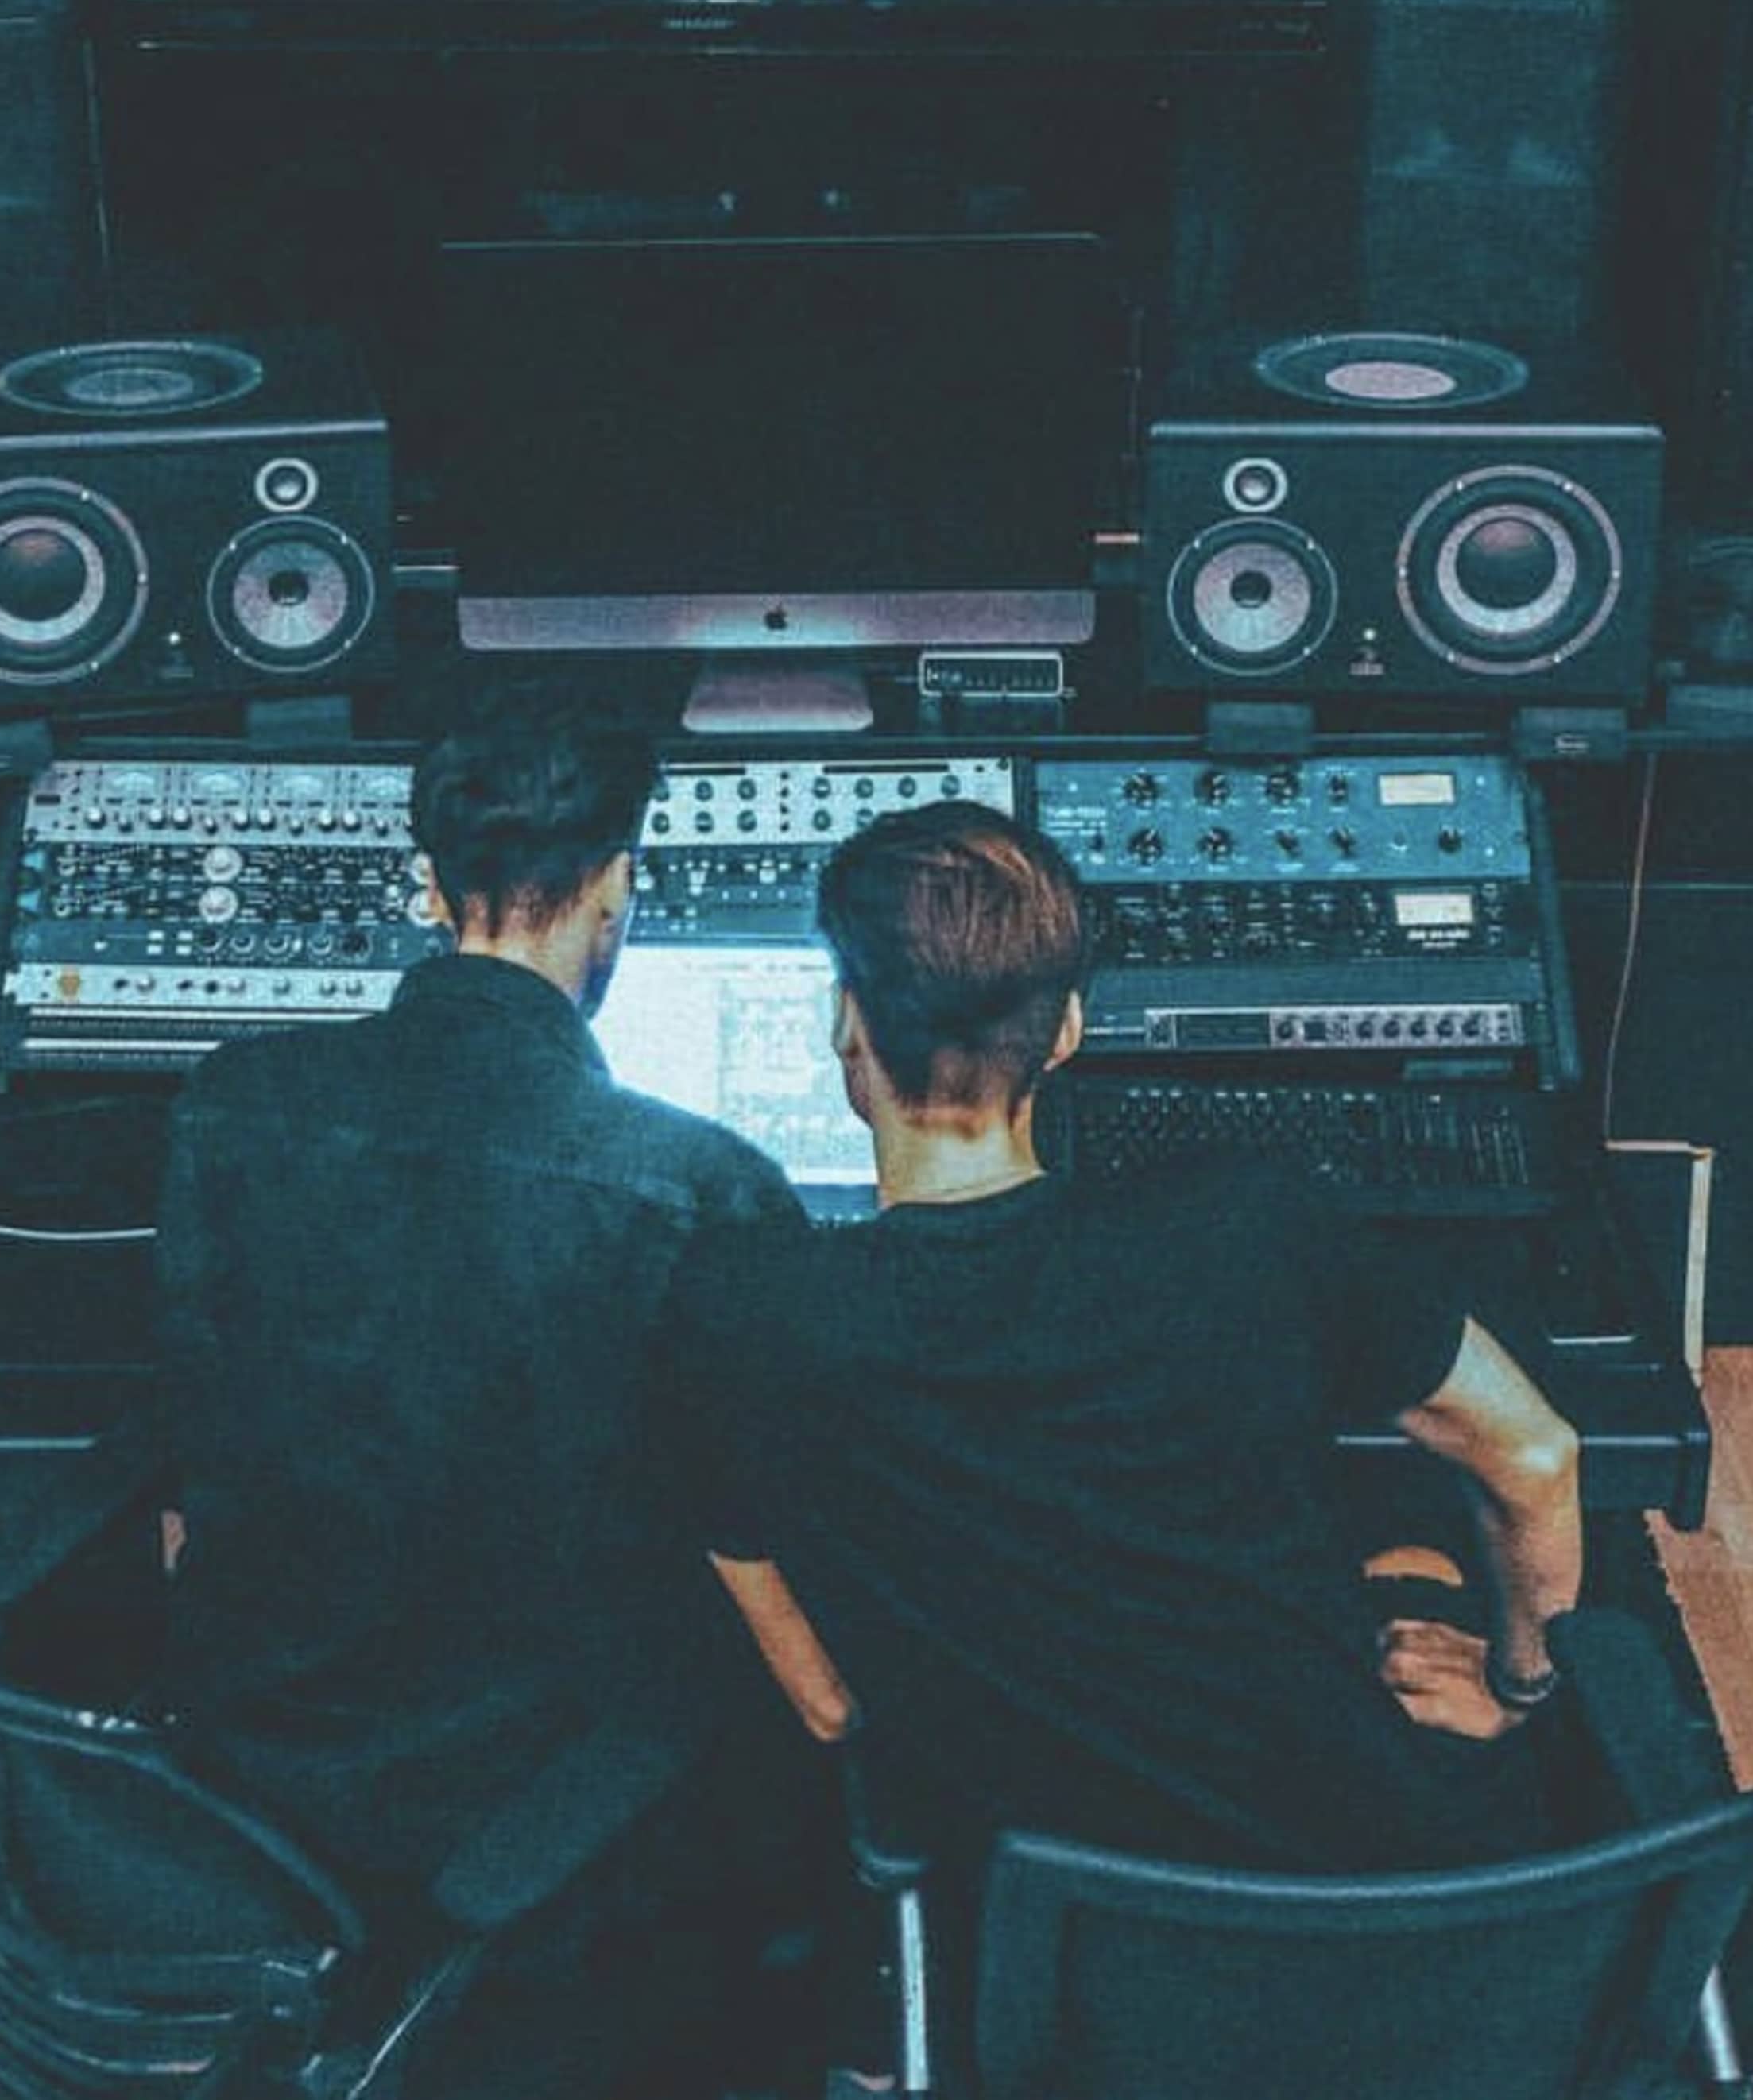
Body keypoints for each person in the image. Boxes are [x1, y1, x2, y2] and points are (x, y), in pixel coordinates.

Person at [682, 797, 1585, 1891]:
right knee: (1401, 1538)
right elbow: (1535, 1456)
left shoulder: (748, 1312)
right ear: (1065, 1033)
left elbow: (829, 1706)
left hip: (1064, 1951)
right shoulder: (1255, 1225)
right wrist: (1523, 1690)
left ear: (845, 1027)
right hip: (1391, 1912)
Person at [144, 675, 822, 2097]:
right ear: (615, 892)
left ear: (426, 882)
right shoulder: (703, 1186)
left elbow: (198, 1429)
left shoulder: (228, 1100)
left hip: (259, 1754)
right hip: (547, 1801)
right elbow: (775, 1518)